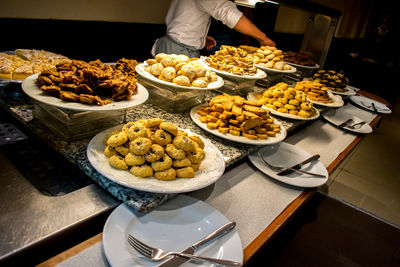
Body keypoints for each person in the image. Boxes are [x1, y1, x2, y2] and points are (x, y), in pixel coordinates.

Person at [151, 0, 276, 58]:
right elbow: (229, 14)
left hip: (176, 46)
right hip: (177, 51)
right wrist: (264, 39)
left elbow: (184, 19)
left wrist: (199, 38)